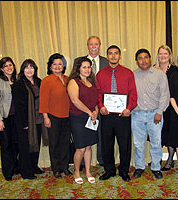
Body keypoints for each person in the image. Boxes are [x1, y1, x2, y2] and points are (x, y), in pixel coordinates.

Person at [96, 45, 137, 182]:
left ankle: (124, 171)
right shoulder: (100, 74)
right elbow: (98, 93)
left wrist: (129, 108)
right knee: (106, 144)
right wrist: (101, 106)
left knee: (124, 145)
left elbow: (133, 94)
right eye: (110, 53)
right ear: (107, 56)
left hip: (123, 115)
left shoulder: (128, 73)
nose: (113, 56)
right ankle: (109, 170)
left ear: (120, 56)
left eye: (116, 53)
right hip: (106, 115)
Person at [132, 48, 170, 179]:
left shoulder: (160, 75)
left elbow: (165, 94)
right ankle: (139, 167)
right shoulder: (132, 75)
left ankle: (155, 167)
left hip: (155, 114)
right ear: (136, 61)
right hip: (137, 115)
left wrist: (160, 112)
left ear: (150, 58)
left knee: (156, 142)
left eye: (146, 57)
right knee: (138, 143)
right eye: (140, 58)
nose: (143, 60)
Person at [73, 36, 108, 169]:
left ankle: (101, 158)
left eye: (96, 44)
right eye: (91, 44)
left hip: (102, 104)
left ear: (99, 46)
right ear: (87, 46)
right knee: (83, 134)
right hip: (83, 106)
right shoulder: (79, 61)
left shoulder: (106, 61)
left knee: (101, 132)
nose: (94, 46)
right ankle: (82, 162)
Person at [66, 57, 99, 184]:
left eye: (89, 67)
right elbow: (75, 101)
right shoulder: (73, 82)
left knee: (89, 147)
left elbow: (95, 101)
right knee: (80, 148)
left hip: (91, 117)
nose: (87, 69)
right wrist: (90, 112)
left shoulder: (92, 82)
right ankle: (77, 172)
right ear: (78, 68)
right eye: (84, 67)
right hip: (78, 118)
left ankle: (88, 171)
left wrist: (95, 111)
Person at [39, 53, 72, 179]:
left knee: (65, 142)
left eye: (60, 64)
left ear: (63, 66)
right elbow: (43, 101)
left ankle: (65, 166)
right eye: (54, 64)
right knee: (54, 143)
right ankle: (56, 168)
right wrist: (45, 117)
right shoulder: (46, 81)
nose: (57, 66)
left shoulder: (68, 79)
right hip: (53, 116)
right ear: (50, 66)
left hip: (67, 116)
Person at [13, 59, 45, 180]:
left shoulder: (38, 81)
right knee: (25, 147)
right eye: (26, 67)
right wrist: (24, 123)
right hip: (26, 121)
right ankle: (26, 171)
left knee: (35, 145)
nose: (29, 70)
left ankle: (34, 166)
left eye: (31, 67)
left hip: (38, 119)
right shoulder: (19, 84)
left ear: (35, 69)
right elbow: (18, 105)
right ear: (23, 70)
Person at [153, 45, 178, 171]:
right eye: (160, 53)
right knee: (157, 134)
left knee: (170, 133)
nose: (162, 56)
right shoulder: (153, 69)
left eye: (165, 54)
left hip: (171, 107)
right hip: (156, 106)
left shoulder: (175, 70)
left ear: (170, 55)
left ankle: (170, 160)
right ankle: (156, 159)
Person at [0, 57, 20, 181]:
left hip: (16, 118)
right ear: (1, 69)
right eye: (5, 66)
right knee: (6, 145)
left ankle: (16, 167)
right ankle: (8, 172)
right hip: (3, 118)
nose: (8, 67)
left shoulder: (17, 79)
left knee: (16, 144)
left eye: (10, 65)